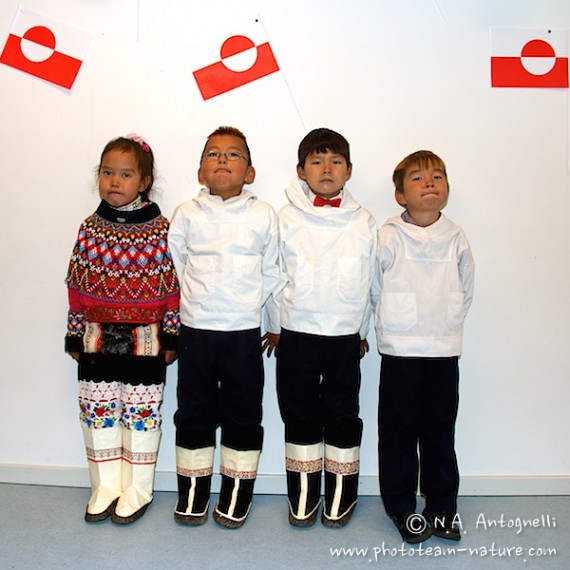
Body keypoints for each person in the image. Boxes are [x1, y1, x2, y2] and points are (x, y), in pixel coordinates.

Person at [264, 128, 377, 528]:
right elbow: (273, 274)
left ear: (349, 171)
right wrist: (274, 325)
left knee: (343, 413)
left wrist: (362, 331)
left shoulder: (364, 222)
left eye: (335, 161)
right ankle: (304, 494)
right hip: (296, 333)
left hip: (344, 336)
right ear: (301, 171)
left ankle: (342, 494)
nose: (326, 169)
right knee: (298, 413)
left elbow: (369, 281)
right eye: (316, 161)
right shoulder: (286, 217)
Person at [168, 126, 280, 529]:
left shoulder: (262, 214)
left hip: (243, 333)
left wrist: (272, 323)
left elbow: (273, 273)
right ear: (200, 171)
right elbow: (176, 266)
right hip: (196, 331)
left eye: (233, 155)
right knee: (193, 412)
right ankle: (193, 493)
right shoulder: (187, 214)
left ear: (249, 172)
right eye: (213, 154)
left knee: (243, 414)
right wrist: (186, 312)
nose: (222, 160)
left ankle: (236, 493)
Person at [65, 134, 180, 524]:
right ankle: (106, 485)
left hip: (146, 341)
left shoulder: (161, 229)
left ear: (144, 182)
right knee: (99, 413)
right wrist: (74, 331)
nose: (115, 181)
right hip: (97, 338)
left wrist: (172, 333)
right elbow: (76, 284)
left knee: (141, 414)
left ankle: (137, 488)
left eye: (125, 174)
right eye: (108, 173)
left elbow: (172, 286)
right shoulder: (89, 228)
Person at [374, 150, 475, 544]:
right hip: (400, 351)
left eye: (437, 176)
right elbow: (374, 287)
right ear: (400, 195)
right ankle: (402, 509)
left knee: (439, 431)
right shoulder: (387, 235)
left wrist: (448, 323)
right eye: (417, 178)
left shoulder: (456, 237)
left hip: (443, 351)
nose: (429, 183)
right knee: (397, 432)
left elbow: (466, 289)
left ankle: (442, 507)